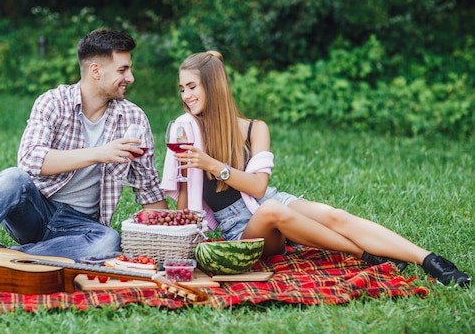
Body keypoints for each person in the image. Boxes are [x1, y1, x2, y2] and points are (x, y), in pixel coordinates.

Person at [160, 50, 471, 288]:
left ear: (214, 87)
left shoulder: (255, 128)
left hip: (269, 199)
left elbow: (257, 187)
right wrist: (188, 175)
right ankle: (368, 256)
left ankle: (431, 261)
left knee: (334, 215)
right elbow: (186, 207)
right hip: (243, 229)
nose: (186, 97)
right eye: (182, 89)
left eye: (192, 87)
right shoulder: (188, 132)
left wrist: (214, 165)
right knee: (272, 213)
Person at [0, 28, 168, 293]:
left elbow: (148, 188)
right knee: (13, 177)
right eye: (123, 69)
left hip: (79, 228)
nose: (130, 77)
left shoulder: (134, 119)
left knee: (109, 241)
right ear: (96, 70)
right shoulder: (53, 102)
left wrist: (174, 235)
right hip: (36, 210)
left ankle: (3, 257)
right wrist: (100, 153)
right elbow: (30, 159)